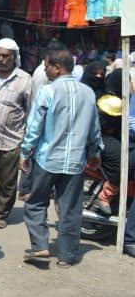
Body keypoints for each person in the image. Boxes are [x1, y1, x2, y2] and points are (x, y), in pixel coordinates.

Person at [19, 46, 103, 267]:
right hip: (75, 162)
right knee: (70, 209)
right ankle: (66, 256)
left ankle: (40, 246)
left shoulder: (48, 91)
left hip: (47, 160)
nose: (44, 69)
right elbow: (94, 127)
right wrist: (95, 151)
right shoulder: (88, 92)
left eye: (46, 65)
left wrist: (25, 152)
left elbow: (34, 127)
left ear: (57, 67)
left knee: (36, 203)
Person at [0, 38, 33, 228]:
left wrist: (28, 143)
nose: (1, 59)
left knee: (7, 182)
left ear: (14, 57)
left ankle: (0, 214)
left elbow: (31, 112)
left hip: (10, 141)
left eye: (5, 56)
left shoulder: (25, 80)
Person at [94, 95, 135, 215]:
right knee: (123, 165)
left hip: (113, 136)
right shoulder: (101, 119)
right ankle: (105, 196)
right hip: (100, 138)